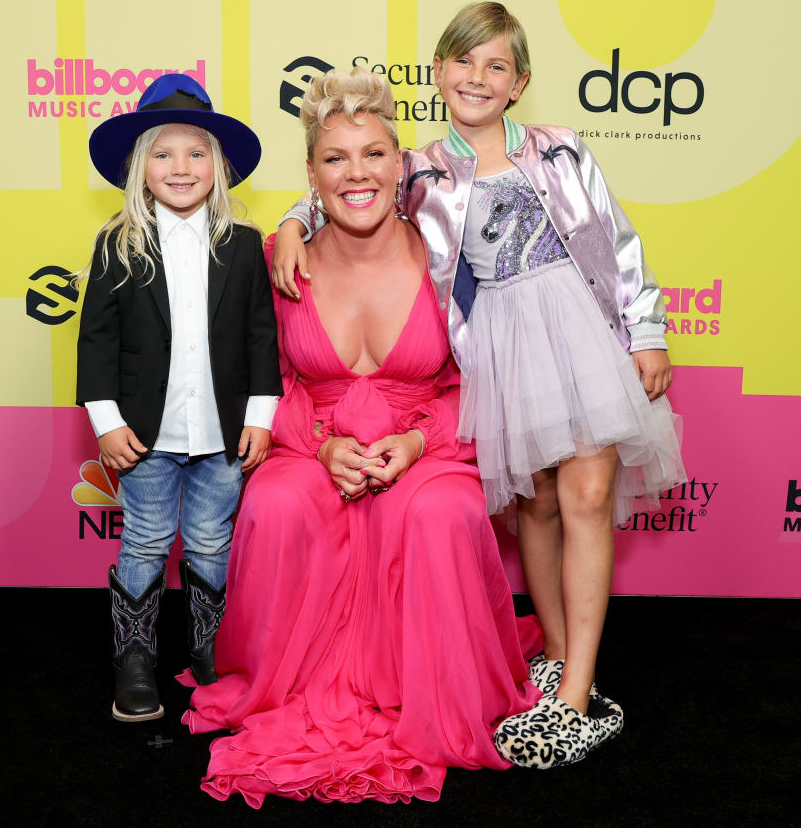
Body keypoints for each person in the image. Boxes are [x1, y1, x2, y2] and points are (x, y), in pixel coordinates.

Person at [273, 2, 686, 768]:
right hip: (499, 346)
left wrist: (649, 329)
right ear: (438, 72)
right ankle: (559, 653)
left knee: (588, 496)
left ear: (520, 81)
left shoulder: (562, 149)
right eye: (464, 62)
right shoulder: (424, 167)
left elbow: (618, 240)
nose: (478, 77)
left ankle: (576, 696)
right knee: (535, 501)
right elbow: (353, 186)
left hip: (580, 333)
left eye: (496, 66)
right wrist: (296, 222)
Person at [177, 68, 543, 807]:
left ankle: (430, 691)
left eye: (374, 154)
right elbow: (257, 377)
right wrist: (316, 444)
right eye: (335, 158)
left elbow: (485, 379)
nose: (357, 174)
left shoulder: (447, 255)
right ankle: (285, 681)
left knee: (443, 514)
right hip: (314, 439)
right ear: (310, 173)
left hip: (433, 444)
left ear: (400, 163)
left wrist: (416, 442)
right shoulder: (284, 263)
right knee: (277, 502)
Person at [77, 73, 281, 722]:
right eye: (163, 154)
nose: (181, 167)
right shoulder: (117, 243)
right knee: (144, 538)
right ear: (140, 169)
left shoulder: (245, 246)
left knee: (209, 541)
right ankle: (134, 658)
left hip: (222, 432)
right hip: (143, 436)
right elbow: (95, 342)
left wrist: (260, 416)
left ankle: (206, 648)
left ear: (219, 167)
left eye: (196, 154)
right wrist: (106, 423)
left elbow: (259, 335)